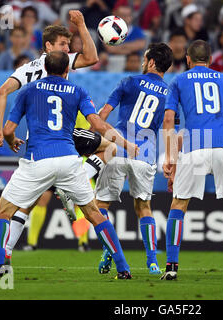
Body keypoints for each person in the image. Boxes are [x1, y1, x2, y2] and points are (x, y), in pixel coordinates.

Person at [0, 51, 135, 280]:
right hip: (69, 160)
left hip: (37, 160)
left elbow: (8, 130)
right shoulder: (78, 90)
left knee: (2, 212)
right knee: (94, 214)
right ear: (67, 70)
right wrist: (125, 142)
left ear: (44, 68)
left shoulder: (29, 89)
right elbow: (97, 123)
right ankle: (123, 268)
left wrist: (10, 141)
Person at [0, 12, 121, 262]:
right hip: (63, 136)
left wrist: (0, 129)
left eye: (68, 44)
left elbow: (2, 91)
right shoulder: (60, 64)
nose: (67, 48)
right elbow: (93, 57)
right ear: (49, 46)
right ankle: (83, 180)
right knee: (109, 149)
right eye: (63, 44)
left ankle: (4, 255)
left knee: (26, 205)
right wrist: (83, 25)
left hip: (38, 144)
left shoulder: (26, 70)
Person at [160, 40, 223, 282]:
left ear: (187, 59)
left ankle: (172, 266)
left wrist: (171, 159)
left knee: (178, 206)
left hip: (195, 146)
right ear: (210, 59)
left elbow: (168, 121)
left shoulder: (178, 81)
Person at [95, 43, 173, 275]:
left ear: (150, 62)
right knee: (144, 208)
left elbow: (102, 115)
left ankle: (109, 248)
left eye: (144, 57)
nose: (141, 61)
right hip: (145, 155)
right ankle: (152, 262)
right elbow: (169, 127)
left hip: (117, 150)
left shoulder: (129, 81)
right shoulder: (170, 93)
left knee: (101, 205)